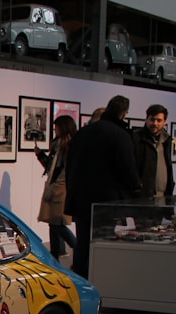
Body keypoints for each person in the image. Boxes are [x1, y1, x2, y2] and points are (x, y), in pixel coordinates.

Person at [64, 95, 142, 278]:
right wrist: (136, 189)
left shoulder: (83, 133)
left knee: (83, 243)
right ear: (124, 114)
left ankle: (81, 281)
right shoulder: (120, 135)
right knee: (102, 244)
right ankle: (100, 280)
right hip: (106, 203)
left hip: (81, 201)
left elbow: (71, 167)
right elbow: (128, 169)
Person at [34, 114, 78, 259]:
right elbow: (50, 166)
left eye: (56, 128)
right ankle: (55, 254)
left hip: (61, 190)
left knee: (57, 224)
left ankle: (75, 247)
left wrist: (54, 189)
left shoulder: (69, 147)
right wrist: (40, 155)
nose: (55, 130)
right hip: (54, 186)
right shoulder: (58, 145)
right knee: (52, 223)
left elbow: (65, 171)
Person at [132, 103, 175, 201]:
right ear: (146, 119)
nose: (155, 123)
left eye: (159, 120)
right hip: (142, 196)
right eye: (152, 119)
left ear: (164, 122)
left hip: (163, 196)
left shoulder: (166, 140)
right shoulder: (136, 138)